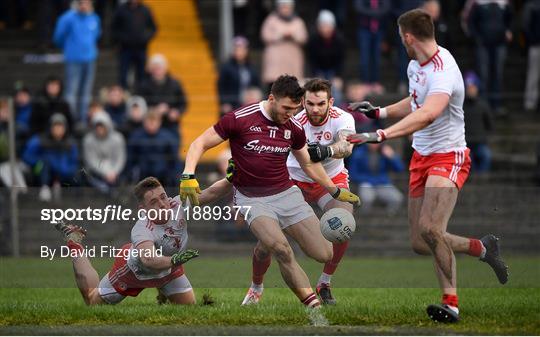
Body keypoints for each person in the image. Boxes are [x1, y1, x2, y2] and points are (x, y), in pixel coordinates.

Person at [347, 9, 508, 323]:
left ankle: (451, 304)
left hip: (449, 156)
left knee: (432, 229)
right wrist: (378, 112)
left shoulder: (444, 67)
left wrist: (380, 134)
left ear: (408, 37)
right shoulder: (414, 65)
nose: (401, 44)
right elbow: (415, 102)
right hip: (420, 157)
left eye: (400, 39)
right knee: (421, 242)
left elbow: (429, 113)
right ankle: (482, 248)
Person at [180, 75, 359, 320]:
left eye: (294, 109)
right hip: (252, 199)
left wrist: (334, 190)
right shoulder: (240, 118)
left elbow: (308, 164)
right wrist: (188, 174)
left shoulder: (293, 127)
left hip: (286, 193)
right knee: (282, 249)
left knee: (324, 253)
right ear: (271, 98)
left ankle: (297, 274)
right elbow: (199, 143)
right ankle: (312, 310)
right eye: (286, 108)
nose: (290, 114)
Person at [241, 78, 357, 306]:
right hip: (294, 179)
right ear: (303, 101)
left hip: (330, 179)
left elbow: (346, 148)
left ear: (330, 102)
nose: (314, 109)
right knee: (267, 243)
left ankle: (324, 282)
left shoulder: (343, 118)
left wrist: (325, 150)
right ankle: (256, 286)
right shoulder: (293, 118)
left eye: (320, 104)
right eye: (310, 103)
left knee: (344, 224)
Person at [53, 175, 232, 306]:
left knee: (189, 309)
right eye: (153, 202)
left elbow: (212, 193)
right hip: (135, 272)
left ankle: (163, 291)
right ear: (143, 209)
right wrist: (175, 260)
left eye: (163, 197)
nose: (162, 204)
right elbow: (149, 260)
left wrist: (233, 177)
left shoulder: (178, 204)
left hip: (168, 269)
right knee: (92, 302)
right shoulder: (141, 230)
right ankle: (74, 242)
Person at [53, 0, 101, 125]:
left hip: (90, 59)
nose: (84, 5)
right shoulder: (68, 18)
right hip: (73, 59)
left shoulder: (94, 18)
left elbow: (96, 36)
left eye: (87, 3)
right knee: (71, 92)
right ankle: (71, 120)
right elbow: (58, 37)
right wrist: (70, 48)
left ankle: (83, 120)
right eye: (82, 3)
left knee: (86, 92)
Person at [465, 0, 512, 115]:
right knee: (483, 74)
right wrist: (477, 38)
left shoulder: (504, 3)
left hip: (500, 43)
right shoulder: (477, 3)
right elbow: (470, 22)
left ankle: (496, 104)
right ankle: (483, 104)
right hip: (483, 44)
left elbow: (510, 18)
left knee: (498, 74)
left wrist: (508, 31)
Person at [23, 113, 79, 202]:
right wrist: (40, 160)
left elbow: (73, 164)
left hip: (63, 175)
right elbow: (27, 156)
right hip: (41, 172)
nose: (58, 129)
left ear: (65, 128)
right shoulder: (40, 140)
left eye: (60, 126)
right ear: (50, 127)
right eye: (55, 126)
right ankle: (44, 189)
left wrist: (60, 170)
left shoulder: (70, 144)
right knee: (45, 163)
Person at [136, 54, 188, 138]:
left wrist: (177, 112)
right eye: (155, 68)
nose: (157, 71)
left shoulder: (175, 84)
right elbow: (140, 104)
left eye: (159, 68)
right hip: (150, 124)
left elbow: (183, 103)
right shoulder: (143, 85)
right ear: (150, 70)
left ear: (165, 69)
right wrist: (154, 111)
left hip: (171, 123)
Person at [260, 0, 307, 91]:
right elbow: (265, 36)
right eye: (283, 7)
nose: (285, 9)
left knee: (292, 88)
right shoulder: (271, 20)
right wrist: (281, 35)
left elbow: (303, 38)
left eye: (287, 7)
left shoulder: (298, 22)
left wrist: (293, 36)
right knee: (274, 88)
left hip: (292, 61)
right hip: (276, 62)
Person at [112, 0, 157, 89]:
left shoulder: (146, 10)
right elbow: (114, 28)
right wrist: (123, 39)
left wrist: (145, 38)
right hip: (125, 49)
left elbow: (153, 28)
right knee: (123, 74)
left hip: (141, 49)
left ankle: (140, 95)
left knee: (141, 75)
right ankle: (124, 96)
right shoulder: (121, 9)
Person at [348, 143, 404, 214]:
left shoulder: (384, 152)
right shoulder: (358, 153)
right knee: (367, 199)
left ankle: (388, 218)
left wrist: (392, 157)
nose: (374, 144)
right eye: (372, 141)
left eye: (376, 142)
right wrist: (371, 180)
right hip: (366, 183)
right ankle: (364, 218)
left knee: (397, 198)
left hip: (382, 184)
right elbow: (353, 174)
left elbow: (400, 168)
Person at [127, 110, 179, 185]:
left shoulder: (168, 137)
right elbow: (131, 159)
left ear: (159, 122)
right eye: (149, 121)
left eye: (154, 121)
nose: (151, 124)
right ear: (144, 122)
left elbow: (174, 160)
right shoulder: (136, 137)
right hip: (142, 177)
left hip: (164, 178)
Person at [82, 112, 126, 194]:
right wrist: (105, 173)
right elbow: (91, 161)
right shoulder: (88, 140)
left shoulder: (118, 139)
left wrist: (114, 172)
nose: (99, 129)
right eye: (97, 126)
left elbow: (120, 158)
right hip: (96, 173)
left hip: (115, 173)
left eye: (102, 126)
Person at [308, 10, 346, 104]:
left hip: (333, 70)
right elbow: (312, 59)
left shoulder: (339, 39)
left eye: (328, 26)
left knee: (336, 93)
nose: (325, 29)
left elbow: (340, 60)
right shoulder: (314, 40)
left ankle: (335, 116)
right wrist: (316, 75)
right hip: (319, 70)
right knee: (317, 92)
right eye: (323, 26)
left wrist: (338, 76)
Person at [217, 36, 260, 116]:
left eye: (241, 49)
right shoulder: (226, 67)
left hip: (248, 105)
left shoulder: (251, 67)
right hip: (232, 105)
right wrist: (224, 102)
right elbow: (221, 86)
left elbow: (256, 86)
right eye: (236, 49)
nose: (239, 52)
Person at [354, 0, 391, 93]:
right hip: (364, 29)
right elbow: (358, 7)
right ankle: (365, 82)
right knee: (364, 58)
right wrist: (375, 13)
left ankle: (375, 82)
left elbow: (386, 7)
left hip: (379, 29)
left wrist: (373, 12)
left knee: (377, 57)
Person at [463, 71, 492, 173]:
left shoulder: (483, 105)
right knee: (468, 158)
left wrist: (483, 137)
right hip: (464, 144)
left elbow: (490, 125)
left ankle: (481, 179)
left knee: (486, 155)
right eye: (468, 87)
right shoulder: (460, 106)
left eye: (473, 87)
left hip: (480, 143)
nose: (471, 90)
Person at [523, 0, 540, 113]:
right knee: (533, 75)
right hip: (536, 45)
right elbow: (526, 25)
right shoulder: (532, 5)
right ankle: (530, 102)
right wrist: (533, 40)